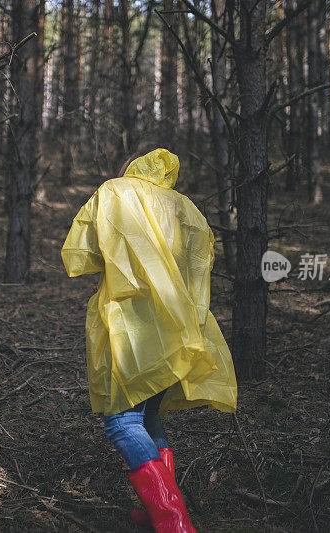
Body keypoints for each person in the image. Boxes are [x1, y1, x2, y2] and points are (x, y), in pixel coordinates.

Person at [61, 148, 238, 533]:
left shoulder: (113, 192)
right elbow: (201, 265)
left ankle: (172, 519)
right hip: (176, 327)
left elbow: (82, 257)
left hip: (131, 324)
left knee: (121, 419)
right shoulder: (186, 207)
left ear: (129, 169)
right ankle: (159, 508)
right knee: (150, 413)